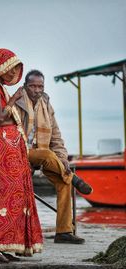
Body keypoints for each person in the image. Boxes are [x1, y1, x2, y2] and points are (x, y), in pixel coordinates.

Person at [0, 49, 43, 262]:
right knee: (6, 195)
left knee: (14, 195)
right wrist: (13, 100)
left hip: (7, 148)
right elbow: (0, 116)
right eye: (10, 67)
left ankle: (0, 245)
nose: (13, 72)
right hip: (1, 150)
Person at [16, 70, 93, 244]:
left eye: (40, 86)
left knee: (63, 181)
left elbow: (56, 135)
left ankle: (64, 232)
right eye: (33, 86)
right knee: (47, 154)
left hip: (44, 156)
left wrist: (63, 158)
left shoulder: (45, 103)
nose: (37, 90)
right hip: (19, 153)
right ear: (25, 86)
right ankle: (74, 177)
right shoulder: (17, 101)